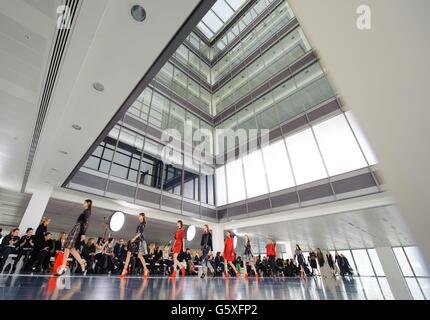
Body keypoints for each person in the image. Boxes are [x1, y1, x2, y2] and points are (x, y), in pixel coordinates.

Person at [57, 199, 92, 275]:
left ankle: (63, 267)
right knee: (71, 248)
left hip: (78, 229)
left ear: (88, 203)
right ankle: (82, 264)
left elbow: (86, 223)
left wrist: (83, 233)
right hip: (76, 228)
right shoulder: (85, 211)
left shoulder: (87, 212)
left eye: (84, 202)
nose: (83, 203)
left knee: (67, 247)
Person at [120, 212, 149, 277]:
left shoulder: (143, 224)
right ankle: (124, 270)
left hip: (140, 241)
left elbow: (140, 233)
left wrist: (134, 238)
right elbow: (137, 233)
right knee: (129, 253)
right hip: (137, 240)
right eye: (138, 216)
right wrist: (134, 238)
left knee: (139, 256)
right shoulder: (140, 224)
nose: (138, 217)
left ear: (143, 217)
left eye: (140, 216)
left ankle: (145, 269)